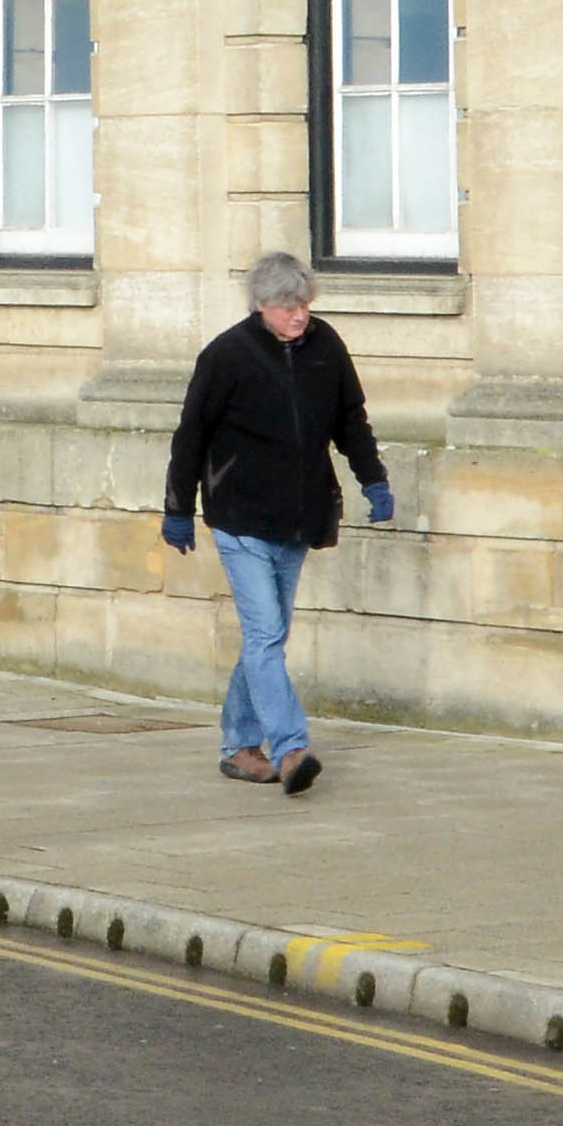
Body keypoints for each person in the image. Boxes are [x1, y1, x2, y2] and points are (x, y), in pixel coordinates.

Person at [157, 251, 391, 795]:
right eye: (287, 306)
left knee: (269, 636)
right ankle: (290, 749)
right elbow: (189, 437)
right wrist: (177, 511)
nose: (298, 316)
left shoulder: (326, 347)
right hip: (239, 517)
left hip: (300, 517)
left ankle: (239, 746)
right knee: (265, 634)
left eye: (304, 304)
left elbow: (350, 420)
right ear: (261, 306)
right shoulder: (226, 356)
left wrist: (372, 479)